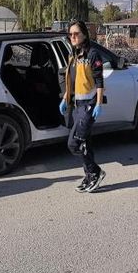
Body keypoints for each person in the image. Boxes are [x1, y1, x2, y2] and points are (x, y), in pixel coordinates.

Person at [60, 21, 107, 193]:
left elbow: (100, 80)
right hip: (77, 104)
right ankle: (89, 175)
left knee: (74, 144)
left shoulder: (93, 54)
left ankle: (95, 171)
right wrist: (65, 98)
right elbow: (71, 80)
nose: (72, 37)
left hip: (89, 104)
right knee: (85, 142)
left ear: (85, 35)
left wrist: (99, 103)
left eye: (76, 34)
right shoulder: (73, 55)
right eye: (70, 34)